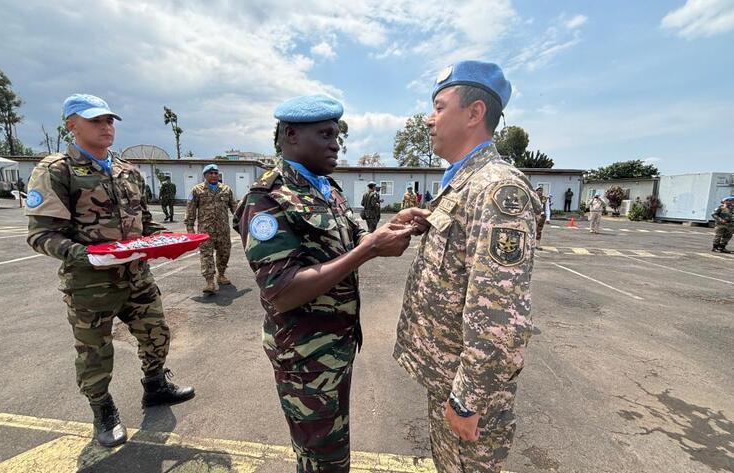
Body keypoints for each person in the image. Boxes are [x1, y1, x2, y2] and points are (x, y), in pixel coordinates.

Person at [235, 94, 429, 473]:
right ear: (291, 134)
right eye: (325, 134)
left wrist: (389, 227)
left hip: (334, 346)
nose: (335, 143)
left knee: (328, 450)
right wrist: (370, 249)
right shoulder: (266, 199)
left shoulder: (327, 188)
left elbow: (355, 237)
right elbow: (283, 291)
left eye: (336, 134)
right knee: (324, 458)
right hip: (304, 355)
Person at [393, 60, 541, 473]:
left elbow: (500, 311)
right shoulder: (463, 181)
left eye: (439, 107)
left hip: (467, 387)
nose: (429, 118)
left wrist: (468, 398)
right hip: (447, 375)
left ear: (474, 113)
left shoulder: (497, 189)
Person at [25, 94, 194, 447]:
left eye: (110, 121)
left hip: (136, 276)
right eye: (96, 121)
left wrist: (166, 240)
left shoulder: (127, 170)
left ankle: (155, 386)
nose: (107, 127)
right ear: (71, 124)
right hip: (90, 284)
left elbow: (144, 224)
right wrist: (86, 255)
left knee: (156, 333)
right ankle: (103, 411)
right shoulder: (57, 170)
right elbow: (41, 235)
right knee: (95, 351)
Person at [185, 164, 237, 294]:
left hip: (223, 230)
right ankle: (209, 282)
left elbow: (235, 208)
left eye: (216, 173)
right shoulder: (197, 190)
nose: (214, 175)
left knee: (224, 253)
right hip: (205, 231)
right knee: (206, 255)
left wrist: (242, 221)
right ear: (205, 175)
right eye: (210, 173)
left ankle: (221, 275)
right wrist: (190, 229)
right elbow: (190, 210)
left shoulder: (226, 189)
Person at [535, 185, 548, 249]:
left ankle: (537, 244)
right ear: (536, 191)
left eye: (541, 190)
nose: (540, 192)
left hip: (542, 215)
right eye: (539, 190)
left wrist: (548, 218)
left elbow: (547, 208)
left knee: (539, 230)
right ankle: (531, 243)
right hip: (533, 215)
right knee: (531, 230)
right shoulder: (533, 198)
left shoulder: (544, 198)